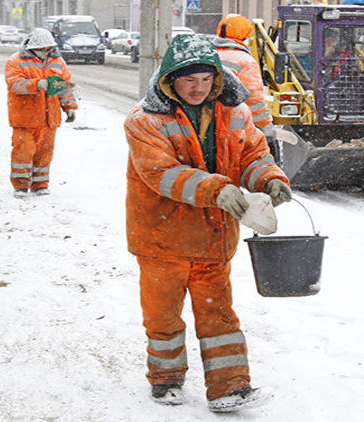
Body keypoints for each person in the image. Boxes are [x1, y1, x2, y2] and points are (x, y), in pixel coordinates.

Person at [123, 34, 292, 412]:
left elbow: (252, 155)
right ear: (170, 80)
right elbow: (160, 173)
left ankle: (230, 385)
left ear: (217, 78)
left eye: (205, 79)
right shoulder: (145, 120)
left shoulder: (236, 113)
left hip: (214, 236)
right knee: (163, 315)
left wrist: (269, 178)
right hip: (161, 238)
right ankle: (165, 379)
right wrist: (215, 189)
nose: (198, 88)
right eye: (189, 80)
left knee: (218, 315)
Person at [4, 27, 77, 198]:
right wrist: (36, 84)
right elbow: (15, 85)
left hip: (49, 119)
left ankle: (40, 184)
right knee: (23, 152)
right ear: (32, 47)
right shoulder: (15, 61)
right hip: (25, 118)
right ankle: (20, 185)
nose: (45, 51)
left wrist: (69, 107)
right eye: (42, 48)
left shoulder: (58, 62)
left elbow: (64, 87)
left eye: (48, 48)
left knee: (44, 153)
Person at [212, 14, 279, 162]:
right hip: (234, 127)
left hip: (208, 126)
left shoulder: (210, 56)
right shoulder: (245, 61)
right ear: (245, 35)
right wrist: (266, 127)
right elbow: (253, 101)